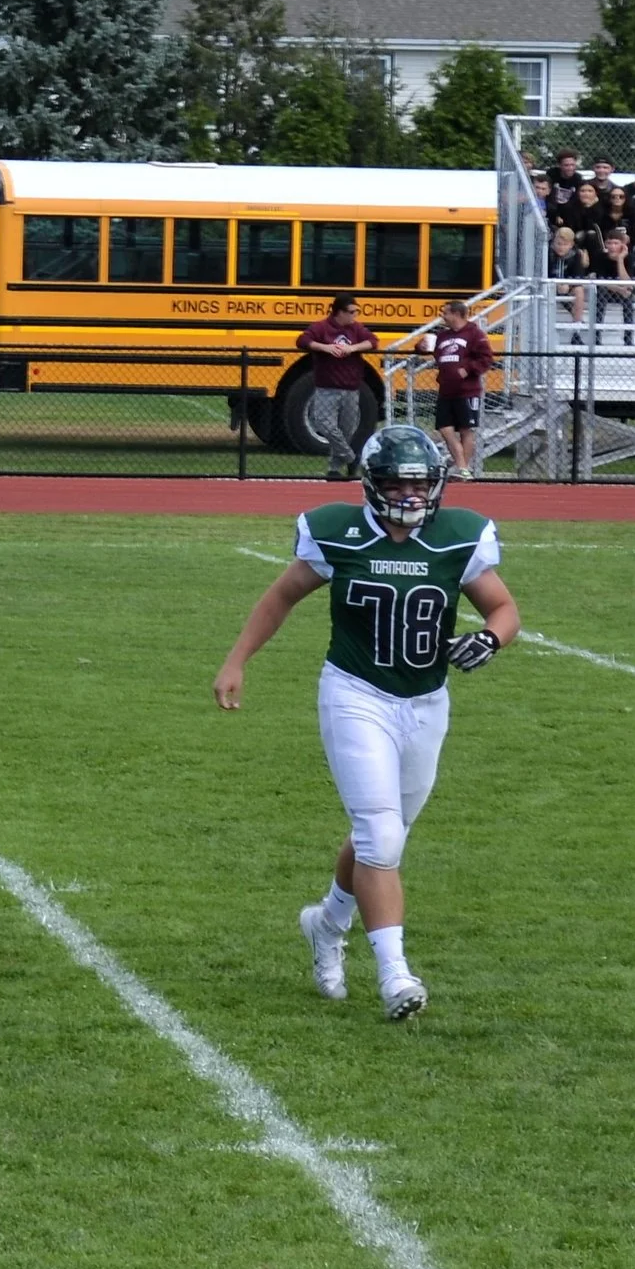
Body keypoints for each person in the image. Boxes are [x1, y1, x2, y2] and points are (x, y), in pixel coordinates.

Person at [212, 425, 517, 1022]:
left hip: (426, 703)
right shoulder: (339, 531)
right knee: (380, 835)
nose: (410, 493)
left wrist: (490, 638)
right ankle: (394, 974)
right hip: (355, 694)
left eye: (420, 482)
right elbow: (281, 597)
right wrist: (236, 660)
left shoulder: (457, 536)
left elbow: (503, 608)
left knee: (385, 833)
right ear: (373, 484)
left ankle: (327, 923)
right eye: (398, 483)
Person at [296, 295, 377, 480]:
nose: (355, 315)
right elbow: (302, 340)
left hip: (351, 388)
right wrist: (325, 347)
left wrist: (352, 348)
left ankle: (335, 468)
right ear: (339, 312)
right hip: (327, 387)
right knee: (324, 424)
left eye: (357, 311)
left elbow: (372, 341)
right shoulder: (322, 327)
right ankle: (351, 458)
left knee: (346, 430)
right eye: (352, 312)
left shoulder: (356, 328)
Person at [429, 300, 494, 478]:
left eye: (446, 313)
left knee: (466, 429)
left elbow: (486, 358)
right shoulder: (442, 336)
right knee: (445, 428)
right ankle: (462, 466)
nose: (443, 316)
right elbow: (438, 355)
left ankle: (462, 470)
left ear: (456, 314)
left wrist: (468, 369)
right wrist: (420, 348)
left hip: (467, 390)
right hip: (446, 389)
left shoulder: (474, 333)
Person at [550, 221, 595, 330]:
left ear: (571, 245)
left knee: (579, 290)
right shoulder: (547, 253)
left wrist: (568, 285)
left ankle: (577, 323)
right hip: (550, 285)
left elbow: (578, 276)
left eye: (565, 245)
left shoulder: (576, 255)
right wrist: (556, 284)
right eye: (559, 244)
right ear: (554, 242)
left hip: (568, 286)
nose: (561, 247)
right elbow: (544, 273)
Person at [596, 227, 635, 347]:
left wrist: (620, 259)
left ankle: (628, 339)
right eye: (609, 243)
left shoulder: (629, 257)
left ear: (622, 245)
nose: (612, 246)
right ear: (605, 244)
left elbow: (627, 282)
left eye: (616, 243)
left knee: (628, 296)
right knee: (602, 293)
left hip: (624, 291)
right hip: (607, 291)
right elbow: (601, 281)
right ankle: (596, 338)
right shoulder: (600, 257)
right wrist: (620, 289)